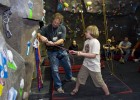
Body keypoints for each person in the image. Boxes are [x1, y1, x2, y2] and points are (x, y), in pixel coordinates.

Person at [37, 13, 76, 93]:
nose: (55, 24)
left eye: (57, 23)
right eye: (54, 22)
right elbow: (38, 33)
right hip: (52, 52)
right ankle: (58, 86)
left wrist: (53, 43)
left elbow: (62, 40)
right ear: (52, 21)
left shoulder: (62, 28)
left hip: (61, 50)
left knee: (67, 65)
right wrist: (41, 37)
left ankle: (69, 77)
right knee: (55, 70)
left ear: (60, 23)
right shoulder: (46, 28)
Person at [69, 25, 110, 96]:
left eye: (86, 32)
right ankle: (76, 88)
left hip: (94, 66)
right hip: (86, 64)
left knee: (100, 81)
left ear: (91, 32)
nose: (85, 33)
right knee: (79, 77)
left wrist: (81, 54)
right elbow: (84, 51)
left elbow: (93, 55)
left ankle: (108, 93)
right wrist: (75, 52)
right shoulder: (86, 41)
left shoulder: (96, 42)